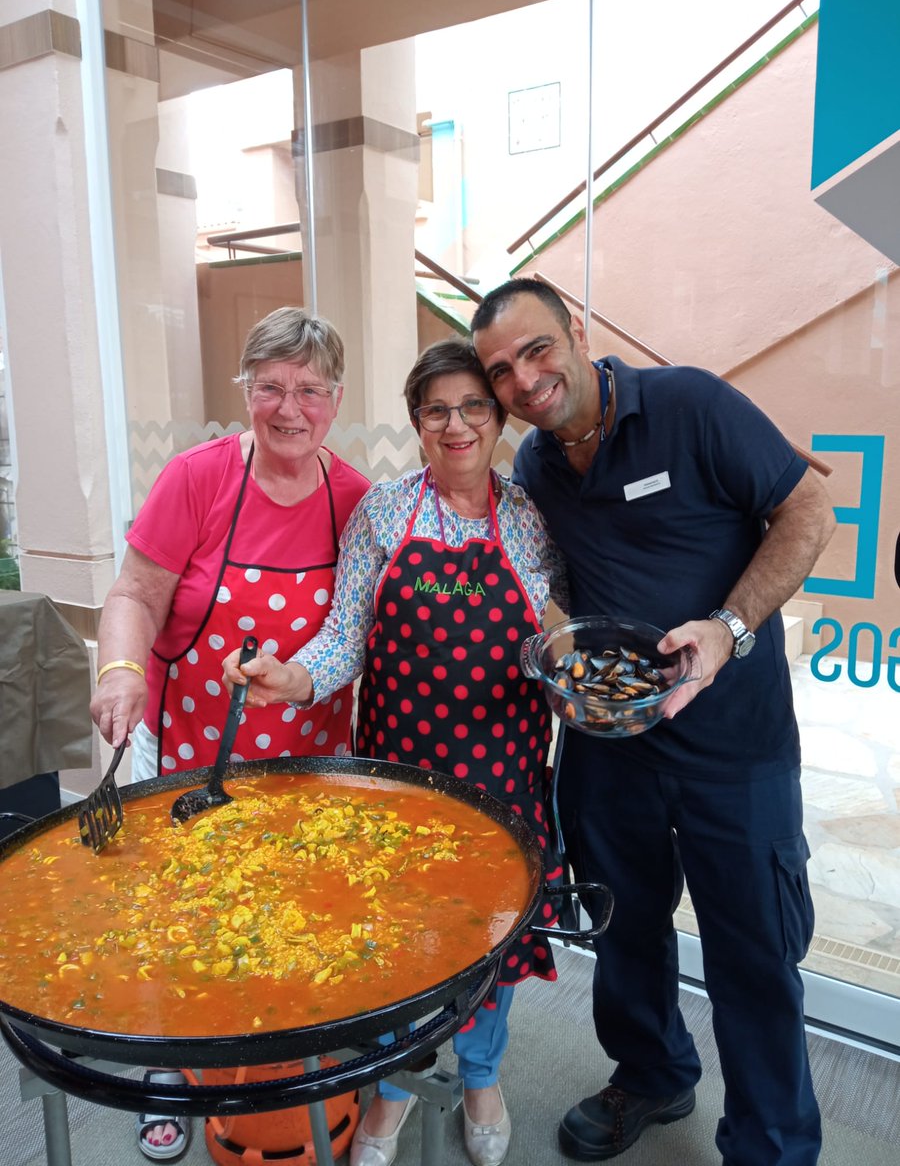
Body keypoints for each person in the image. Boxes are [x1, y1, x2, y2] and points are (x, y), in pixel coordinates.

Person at [470, 278, 836, 1166]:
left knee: (753, 956)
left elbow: (808, 510)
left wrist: (728, 629)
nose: (525, 379)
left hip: (732, 749)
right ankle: (653, 1071)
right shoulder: (537, 466)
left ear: (579, 332)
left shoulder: (694, 405)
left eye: (537, 349)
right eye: (502, 371)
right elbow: (555, 577)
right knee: (624, 932)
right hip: (610, 748)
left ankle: (772, 1143)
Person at [222, 337, 569, 1166]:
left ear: (497, 416)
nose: (456, 425)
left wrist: (575, 683)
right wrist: (295, 678)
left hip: (502, 774)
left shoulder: (530, 516)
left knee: (488, 938)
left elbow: (557, 639)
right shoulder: (382, 510)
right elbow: (346, 635)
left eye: (473, 407)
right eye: (436, 409)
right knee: (396, 944)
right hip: (396, 780)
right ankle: (392, 1089)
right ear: (416, 421)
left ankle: (481, 1076)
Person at [89, 306, 370, 1162]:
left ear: (337, 399)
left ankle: (290, 1077)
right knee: (191, 923)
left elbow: (357, 632)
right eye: (271, 387)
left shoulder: (353, 496)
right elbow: (134, 596)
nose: (290, 408)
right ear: (245, 391)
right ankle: (173, 1073)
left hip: (308, 761)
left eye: (310, 390)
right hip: (196, 755)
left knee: (293, 923)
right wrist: (122, 672)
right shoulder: (198, 479)